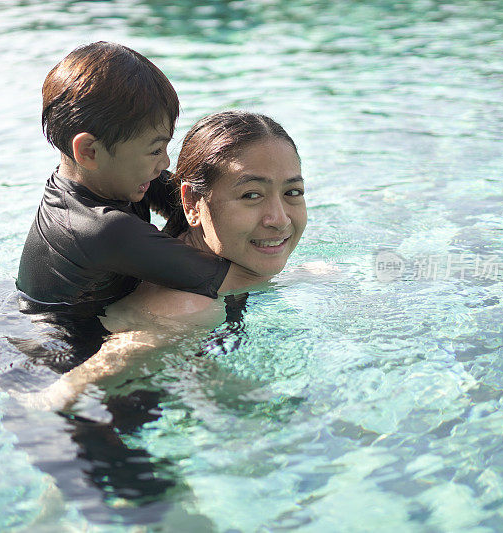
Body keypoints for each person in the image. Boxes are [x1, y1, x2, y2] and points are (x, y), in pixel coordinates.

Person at [16, 111, 307, 410]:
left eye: (293, 192)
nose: (279, 219)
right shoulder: (189, 306)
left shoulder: (188, 260)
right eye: (251, 195)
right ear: (191, 203)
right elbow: (66, 392)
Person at [16, 42, 262, 321]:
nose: (165, 163)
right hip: (60, 345)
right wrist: (313, 276)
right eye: (155, 150)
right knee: (210, 304)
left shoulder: (111, 178)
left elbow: (197, 204)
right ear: (89, 152)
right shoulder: (100, 228)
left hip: (82, 312)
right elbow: (235, 280)